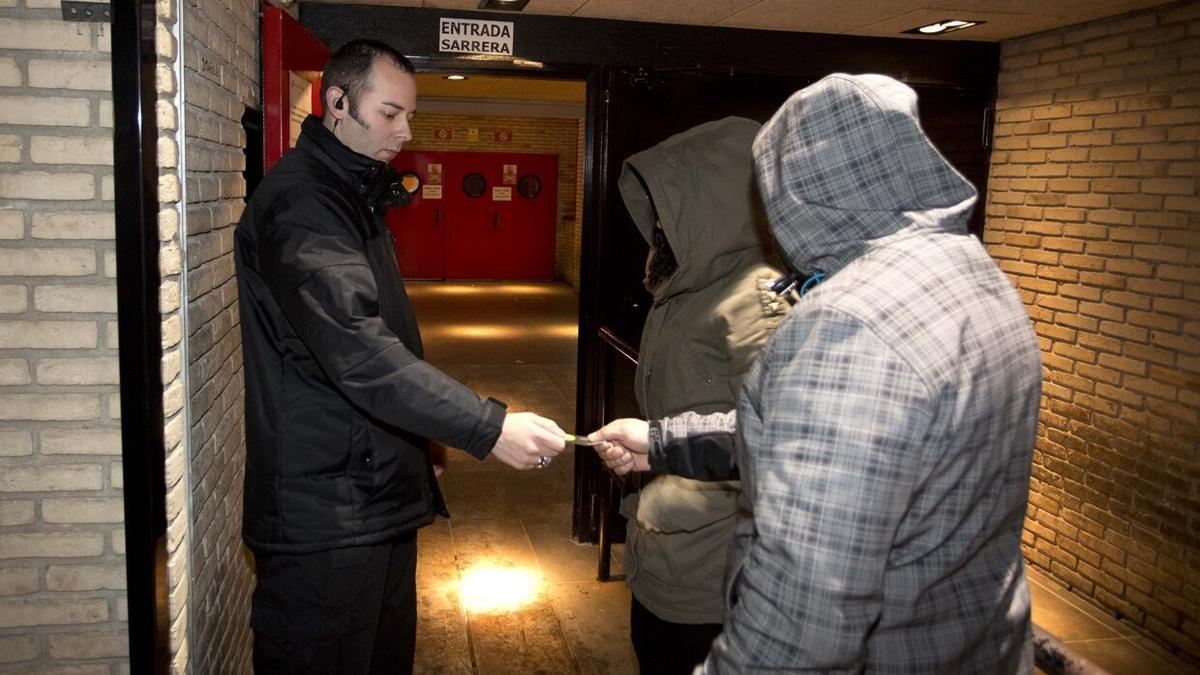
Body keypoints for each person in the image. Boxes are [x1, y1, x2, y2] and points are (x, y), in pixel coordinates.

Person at [590, 73, 1041, 673]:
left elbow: (805, 617)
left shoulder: (851, 323)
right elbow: (829, 439)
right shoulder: (969, 274)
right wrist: (663, 442)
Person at [234, 40, 566, 674]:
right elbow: (359, 354)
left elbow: (387, 340)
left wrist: (421, 442)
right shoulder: (303, 205)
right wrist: (486, 426)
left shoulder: (351, 194)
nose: (403, 131)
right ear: (335, 101)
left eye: (409, 116)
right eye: (389, 113)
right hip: (327, 519)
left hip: (371, 493)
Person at [615, 117, 786, 674]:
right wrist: (651, 451)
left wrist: (670, 503)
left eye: (671, 203)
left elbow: (776, 445)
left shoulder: (755, 303)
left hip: (711, 570)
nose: (658, 223)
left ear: (712, 202)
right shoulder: (685, 291)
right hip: (665, 558)